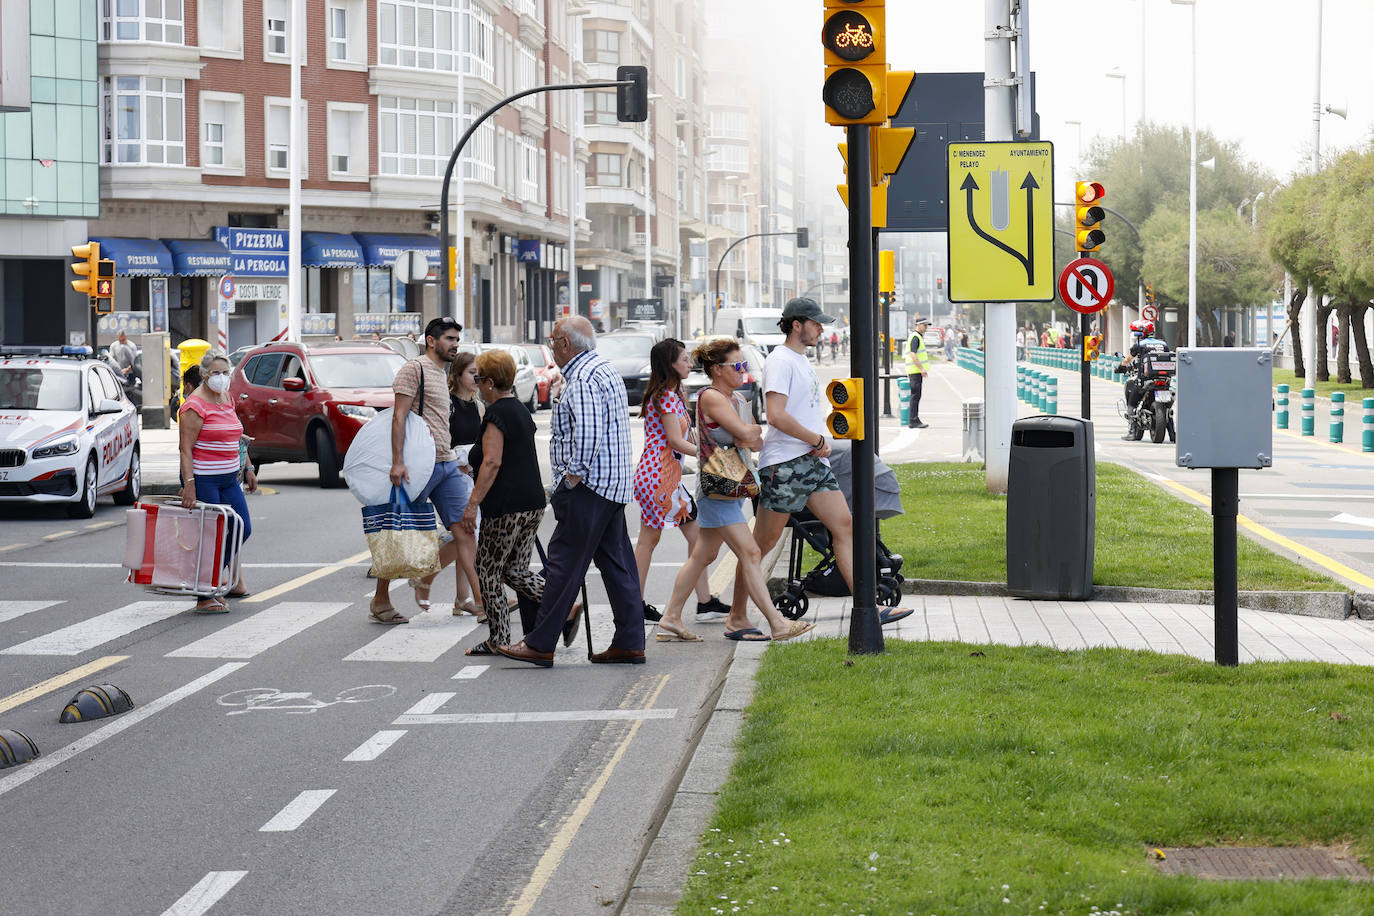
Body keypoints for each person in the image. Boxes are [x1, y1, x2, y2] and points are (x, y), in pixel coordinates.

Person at [728, 298, 912, 632]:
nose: (821, 329)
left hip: (812, 463)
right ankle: (736, 616)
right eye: (815, 323)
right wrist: (815, 439)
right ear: (796, 324)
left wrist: (818, 443)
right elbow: (777, 415)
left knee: (845, 527)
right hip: (786, 464)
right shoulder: (781, 361)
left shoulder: (800, 361)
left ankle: (868, 606)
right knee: (760, 547)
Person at [494, 316, 646, 667]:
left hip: (590, 487)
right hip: (609, 485)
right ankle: (630, 640)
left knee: (563, 565)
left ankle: (541, 643)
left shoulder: (583, 378)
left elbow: (588, 435)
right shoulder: (601, 369)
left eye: (552, 341)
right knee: (617, 564)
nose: (550, 347)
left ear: (565, 343)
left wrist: (570, 478)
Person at [656, 338, 813, 643]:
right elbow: (745, 433)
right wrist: (743, 435)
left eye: (744, 365)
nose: (743, 371)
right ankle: (776, 624)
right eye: (737, 366)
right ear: (716, 369)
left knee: (704, 554)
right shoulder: (711, 397)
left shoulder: (739, 400)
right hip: (717, 487)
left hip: (731, 486)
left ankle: (671, 618)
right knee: (750, 551)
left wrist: (746, 435)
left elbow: (758, 440)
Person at [368, 318, 470, 625]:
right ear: (431, 340)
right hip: (420, 467)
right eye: (450, 339)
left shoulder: (442, 372)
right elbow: (399, 417)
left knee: (465, 528)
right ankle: (380, 598)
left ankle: (477, 600)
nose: (455, 344)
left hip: (447, 464)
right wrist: (398, 461)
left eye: (457, 340)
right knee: (399, 533)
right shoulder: (414, 369)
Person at [632, 338, 731, 626]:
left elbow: (683, 439)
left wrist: (707, 448)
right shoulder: (664, 396)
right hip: (660, 476)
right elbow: (675, 440)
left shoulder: (673, 393)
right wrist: (710, 453)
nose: (690, 363)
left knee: (692, 539)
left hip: (664, 475)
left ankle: (704, 602)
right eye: (684, 359)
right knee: (653, 541)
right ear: (670, 364)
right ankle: (637, 604)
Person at [460, 349, 547, 656]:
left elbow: (492, 463)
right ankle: (563, 606)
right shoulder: (520, 410)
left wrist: (472, 505)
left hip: (506, 507)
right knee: (514, 570)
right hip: (532, 502)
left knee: (486, 569)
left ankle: (498, 639)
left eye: (479, 379)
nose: (477, 384)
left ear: (490, 383)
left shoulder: (497, 414)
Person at [178, 352, 256, 613]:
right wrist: (189, 484)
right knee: (212, 536)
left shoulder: (226, 398)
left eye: (225, 373)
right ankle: (203, 595)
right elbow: (185, 449)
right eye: (215, 373)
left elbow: (236, 435)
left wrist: (248, 467)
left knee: (241, 528)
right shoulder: (194, 405)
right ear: (203, 374)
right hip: (206, 479)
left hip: (229, 478)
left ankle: (209, 582)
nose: (221, 378)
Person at [447, 351, 486, 618]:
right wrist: (454, 461)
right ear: (457, 374)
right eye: (472, 372)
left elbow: (484, 443)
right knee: (467, 534)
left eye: (479, 373)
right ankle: (475, 596)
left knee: (467, 535)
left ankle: (462, 597)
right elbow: (439, 440)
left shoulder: (479, 406)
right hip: (453, 474)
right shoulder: (447, 405)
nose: (477, 378)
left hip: (474, 474)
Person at [904, 317, 931, 429]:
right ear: (918, 325)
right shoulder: (915, 337)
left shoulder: (917, 336)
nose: (926, 327)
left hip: (915, 371)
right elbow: (913, 354)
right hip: (915, 371)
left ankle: (915, 419)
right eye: (924, 325)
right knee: (915, 396)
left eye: (926, 325)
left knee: (916, 396)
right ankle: (913, 420)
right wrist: (921, 368)